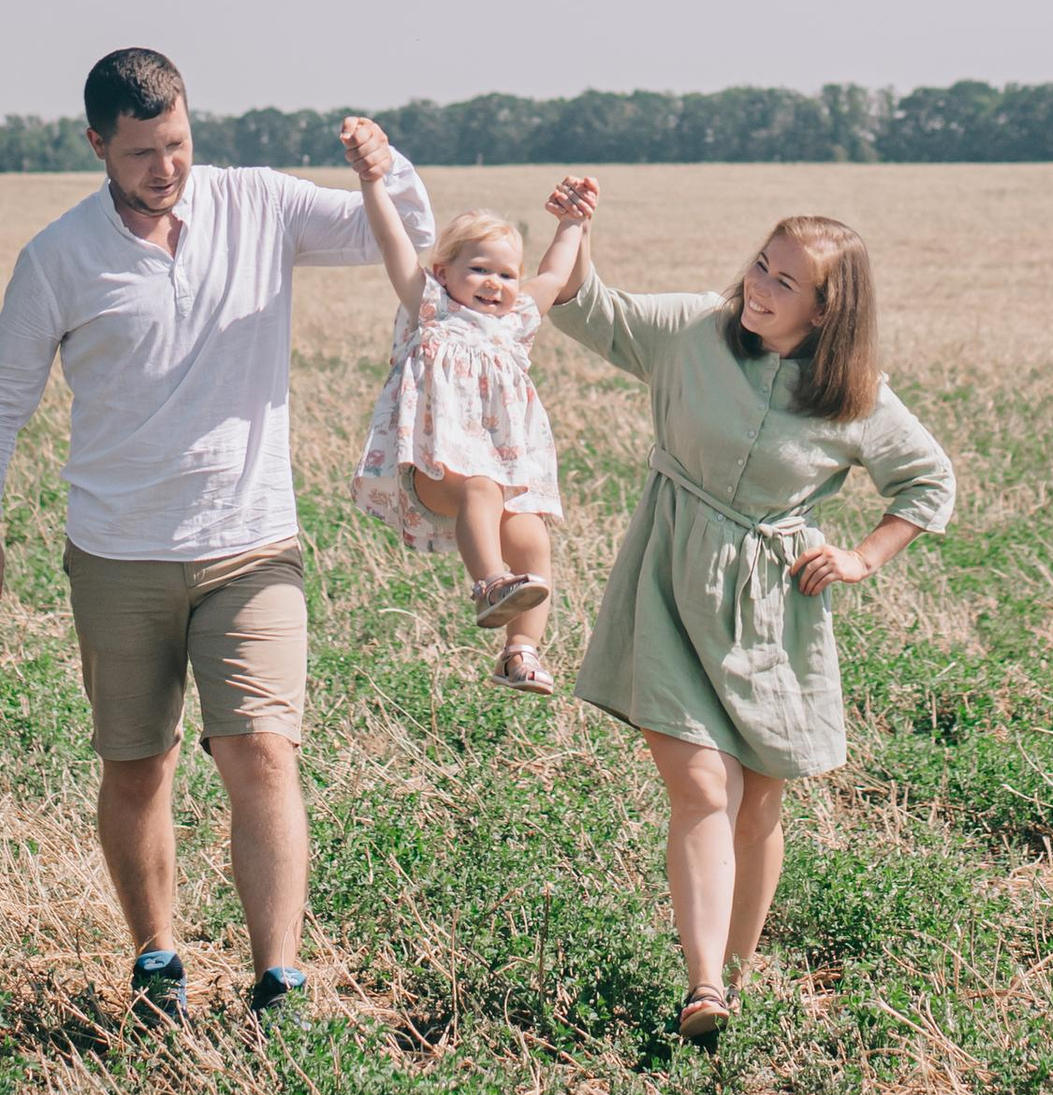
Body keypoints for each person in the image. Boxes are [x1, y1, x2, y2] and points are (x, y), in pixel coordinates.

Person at [0, 47, 435, 1030]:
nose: (164, 168)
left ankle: (278, 983)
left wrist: (385, 167)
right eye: (139, 153)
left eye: (175, 144)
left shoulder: (257, 204)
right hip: (118, 550)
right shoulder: (60, 256)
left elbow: (405, 239)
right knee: (138, 765)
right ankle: (157, 962)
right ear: (96, 146)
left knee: (262, 752)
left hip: (252, 543)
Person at [548, 194, 956, 1043]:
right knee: (701, 783)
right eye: (760, 265)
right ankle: (702, 985)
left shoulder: (857, 398)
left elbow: (929, 482)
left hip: (773, 607)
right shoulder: (697, 326)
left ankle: (734, 978)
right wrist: (574, 231)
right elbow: (591, 308)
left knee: (760, 799)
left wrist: (861, 556)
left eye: (785, 282)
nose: (759, 287)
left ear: (826, 310)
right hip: (667, 575)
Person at [352, 172, 597, 690]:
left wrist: (572, 223)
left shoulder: (516, 324)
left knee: (531, 536)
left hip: (502, 476)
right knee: (481, 486)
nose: (495, 283)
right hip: (435, 469)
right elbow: (393, 241)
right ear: (443, 271)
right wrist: (372, 182)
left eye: (507, 275)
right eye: (479, 269)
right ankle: (489, 584)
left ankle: (520, 653)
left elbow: (553, 275)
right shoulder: (430, 307)